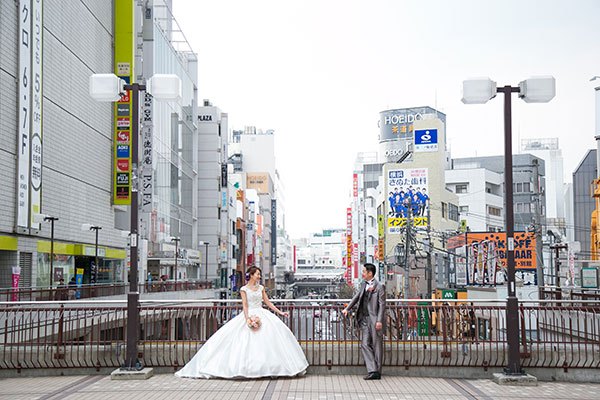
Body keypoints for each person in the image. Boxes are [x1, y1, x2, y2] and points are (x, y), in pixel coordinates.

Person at [175, 266, 308, 379]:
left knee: (271, 341)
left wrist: (280, 312)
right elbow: (245, 305)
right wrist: (247, 319)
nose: (259, 276)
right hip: (249, 314)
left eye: (259, 274)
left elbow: (267, 302)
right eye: (257, 274)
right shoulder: (243, 289)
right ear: (251, 275)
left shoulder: (261, 288)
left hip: (262, 313)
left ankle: (269, 369)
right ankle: (246, 369)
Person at [342, 263, 386, 380]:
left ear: (370, 273)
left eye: (364, 272)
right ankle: (373, 370)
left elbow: (382, 305)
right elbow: (356, 297)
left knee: (377, 345)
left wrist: (379, 320)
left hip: (375, 319)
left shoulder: (379, 287)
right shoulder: (363, 284)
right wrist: (347, 309)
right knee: (365, 344)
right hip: (364, 319)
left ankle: (377, 371)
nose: (362, 273)